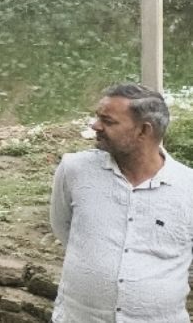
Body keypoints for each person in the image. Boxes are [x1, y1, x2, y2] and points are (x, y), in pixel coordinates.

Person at [49, 83, 193, 322]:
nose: (96, 126)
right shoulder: (74, 169)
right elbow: (63, 227)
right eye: (97, 118)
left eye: (108, 121)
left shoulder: (188, 187)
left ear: (143, 131)